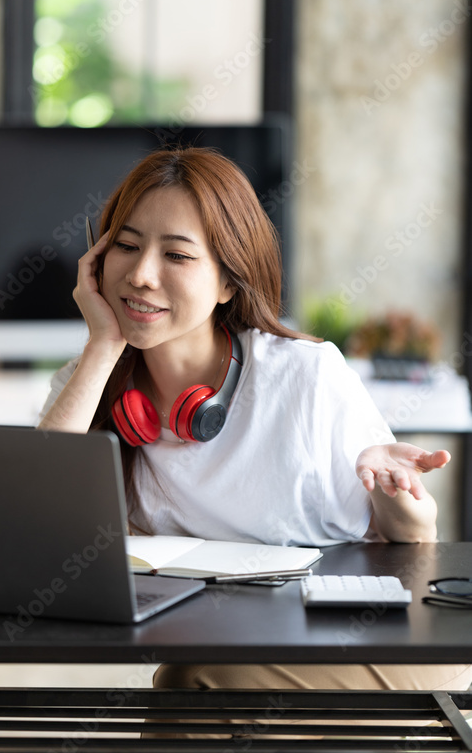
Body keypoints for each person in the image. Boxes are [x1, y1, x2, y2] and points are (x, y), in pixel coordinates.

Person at [38, 145, 472, 718]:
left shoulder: (304, 375)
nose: (141, 274)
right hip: (229, 646)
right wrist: (101, 345)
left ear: (226, 283)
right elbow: (41, 524)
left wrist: (400, 497)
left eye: (176, 254)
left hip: (371, 640)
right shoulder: (90, 382)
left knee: (194, 679)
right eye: (126, 245)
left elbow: (412, 547)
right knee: (195, 674)